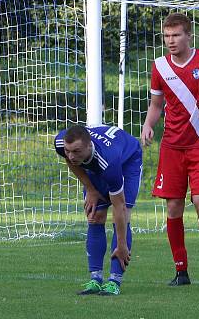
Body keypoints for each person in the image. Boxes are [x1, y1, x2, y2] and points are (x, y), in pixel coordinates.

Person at [141, 12, 199, 286]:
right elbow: (156, 106)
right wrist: (148, 126)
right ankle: (181, 271)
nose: (171, 41)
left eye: (176, 35)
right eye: (167, 36)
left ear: (189, 36)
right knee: (173, 208)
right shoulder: (159, 66)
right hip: (172, 146)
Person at [54, 124, 143, 296]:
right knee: (94, 216)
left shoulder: (108, 162)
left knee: (123, 216)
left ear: (89, 145)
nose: (71, 156)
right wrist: (91, 189)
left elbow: (119, 206)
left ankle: (114, 281)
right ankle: (95, 279)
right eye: (68, 150)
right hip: (96, 163)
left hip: (127, 161)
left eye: (76, 151)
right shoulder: (61, 142)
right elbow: (69, 160)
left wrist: (122, 244)